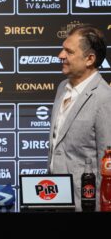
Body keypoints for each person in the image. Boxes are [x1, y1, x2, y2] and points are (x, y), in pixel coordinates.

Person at [48, 24, 111, 211]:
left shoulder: (105, 98)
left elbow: (107, 166)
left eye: (69, 51)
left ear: (89, 59)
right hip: (53, 199)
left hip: (85, 205)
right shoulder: (62, 88)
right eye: (62, 49)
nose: (61, 55)